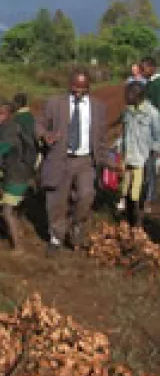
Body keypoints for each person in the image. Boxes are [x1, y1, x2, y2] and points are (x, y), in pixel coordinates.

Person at [37, 70, 108, 254]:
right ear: (69, 85)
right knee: (57, 201)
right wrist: (46, 135)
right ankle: (56, 237)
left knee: (86, 196)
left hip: (86, 160)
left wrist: (105, 159)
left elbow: (101, 137)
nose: (78, 92)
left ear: (89, 87)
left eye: (83, 89)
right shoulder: (54, 103)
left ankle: (77, 226)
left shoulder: (98, 107)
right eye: (75, 88)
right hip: (61, 159)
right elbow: (38, 124)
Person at [0, 102, 32, 254]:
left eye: (2, 113)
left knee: (7, 211)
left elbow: (2, 149)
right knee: (11, 211)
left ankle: (18, 246)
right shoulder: (12, 128)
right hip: (19, 174)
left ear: (10, 115)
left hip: (16, 176)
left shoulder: (9, 130)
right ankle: (18, 235)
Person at [118, 82, 160, 227]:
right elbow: (124, 133)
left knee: (140, 193)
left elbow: (158, 136)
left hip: (144, 159)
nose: (126, 97)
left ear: (139, 96)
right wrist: (119, 150)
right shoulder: (127, 111)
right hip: (129, 157)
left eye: (129, 94)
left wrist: (153, 154)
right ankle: (129, 220)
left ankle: (138, 223)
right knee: (127, 189)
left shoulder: (152, 113)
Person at [140, 56, 160, 214]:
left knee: (150, 164)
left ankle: (150, 197)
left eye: (143, 68)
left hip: (154, 129)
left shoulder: (156, 85)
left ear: (152, 68)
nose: (141, 71)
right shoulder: (150, 84)